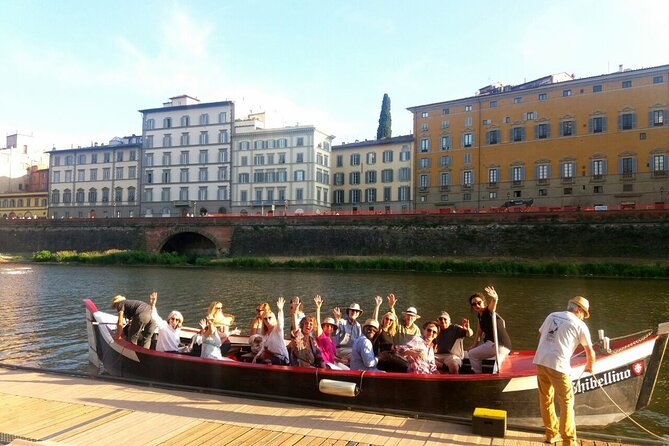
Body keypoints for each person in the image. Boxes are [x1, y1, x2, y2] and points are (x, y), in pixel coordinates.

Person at [533, 296, 596, 445]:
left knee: (546, 399)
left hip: (540, 361)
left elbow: (543, 335)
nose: (584, 317)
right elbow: (590, 352)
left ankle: (551, 434)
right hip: (559, 365)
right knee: (567, 402)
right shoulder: (580, 325)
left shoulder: (551, 315)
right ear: (579, 310)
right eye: (584, 314)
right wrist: (590, 366)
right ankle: (568, 441)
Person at [468, 286, 512, 373]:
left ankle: (478, 375)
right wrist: (474, 345)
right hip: (495, 346)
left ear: (484, 302)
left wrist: (495, 297)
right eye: (474, 304)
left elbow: (494, 303)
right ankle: (479, 377)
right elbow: (479, 332)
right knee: (495, 370)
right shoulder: (480, 316)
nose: (476, 305)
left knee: (472, 354)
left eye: (478, 302)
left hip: (498, 345)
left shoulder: (489, 311)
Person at [372, 295, 407, 372]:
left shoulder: (391, 332)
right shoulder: (379, 329)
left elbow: (395, 319)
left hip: (391, 356)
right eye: (387, 319)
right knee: (405, 366)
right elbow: (374, 320)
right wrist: (377, 306)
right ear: (383, 319)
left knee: (407, 362)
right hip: (382, 358)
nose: (388, 321)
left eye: (391, 320)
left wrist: (391, 307)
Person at [253, 297, 290, 365]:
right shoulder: (265, 334)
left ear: (273, 319)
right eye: (265, 319)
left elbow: (281, 322)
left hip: (282, 358)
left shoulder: (277, 329)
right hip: (272, 357)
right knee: (259, 361)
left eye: (270, 318)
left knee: (266, 362)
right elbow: (263, 348)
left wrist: (280, 310)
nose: (268, 321)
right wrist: (256, 357)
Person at [313, 295, 346, 369]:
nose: (329, 328)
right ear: (323, 327)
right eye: (327, 326)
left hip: (332, 362)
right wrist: (318, 308)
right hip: (326, 364)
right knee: (342, 372)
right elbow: (317, 324)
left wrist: (341, 360)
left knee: (348, 370)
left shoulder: (331, 339)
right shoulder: (321, 336)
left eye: (331, 326)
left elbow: (332, 356)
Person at [288, 300, 324, 368]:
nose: (308, 326)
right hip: (300, 370)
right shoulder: (299, 337)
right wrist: (294, 314)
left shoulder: (312, 341)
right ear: (302, 325)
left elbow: (319, 357)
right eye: (306, 323)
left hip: (314, 369)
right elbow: (295, 330)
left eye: (311, 324)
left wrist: (325, 370)